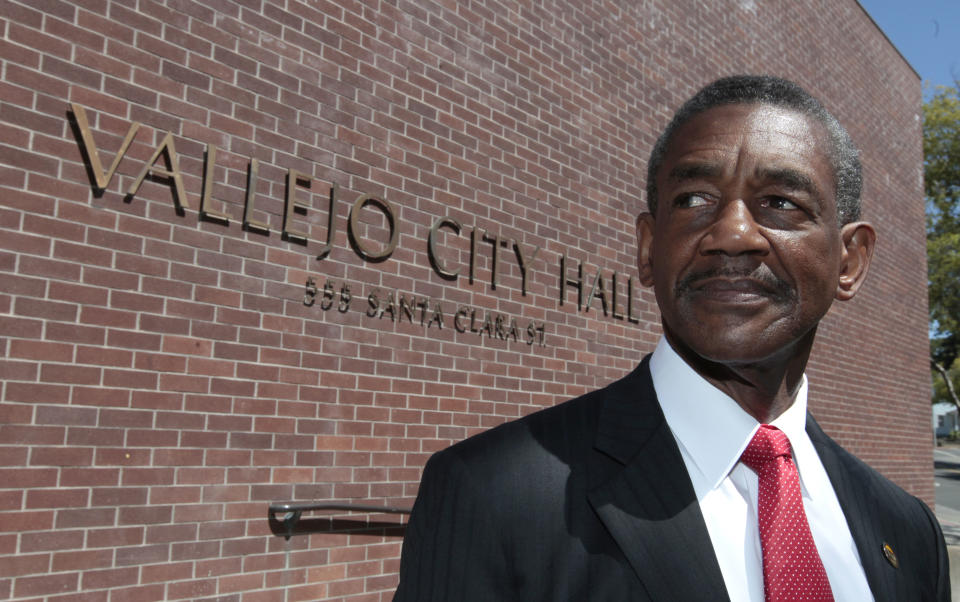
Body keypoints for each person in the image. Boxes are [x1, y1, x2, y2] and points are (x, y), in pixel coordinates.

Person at [393, 75, 949, 601]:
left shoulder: (908, 530)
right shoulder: (490, 495)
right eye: (693, 200)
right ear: (647, 249)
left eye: (781, 203)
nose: (732, 234)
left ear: (849, 260)